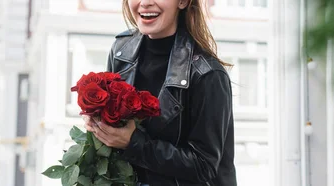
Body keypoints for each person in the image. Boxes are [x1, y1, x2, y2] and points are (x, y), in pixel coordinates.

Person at [83, 0, 237, 185]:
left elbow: (204, 167)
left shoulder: (207, 74)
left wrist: (135, 143)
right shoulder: (121, 51)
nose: (146, 3)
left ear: (182, 2)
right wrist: (99, 124)